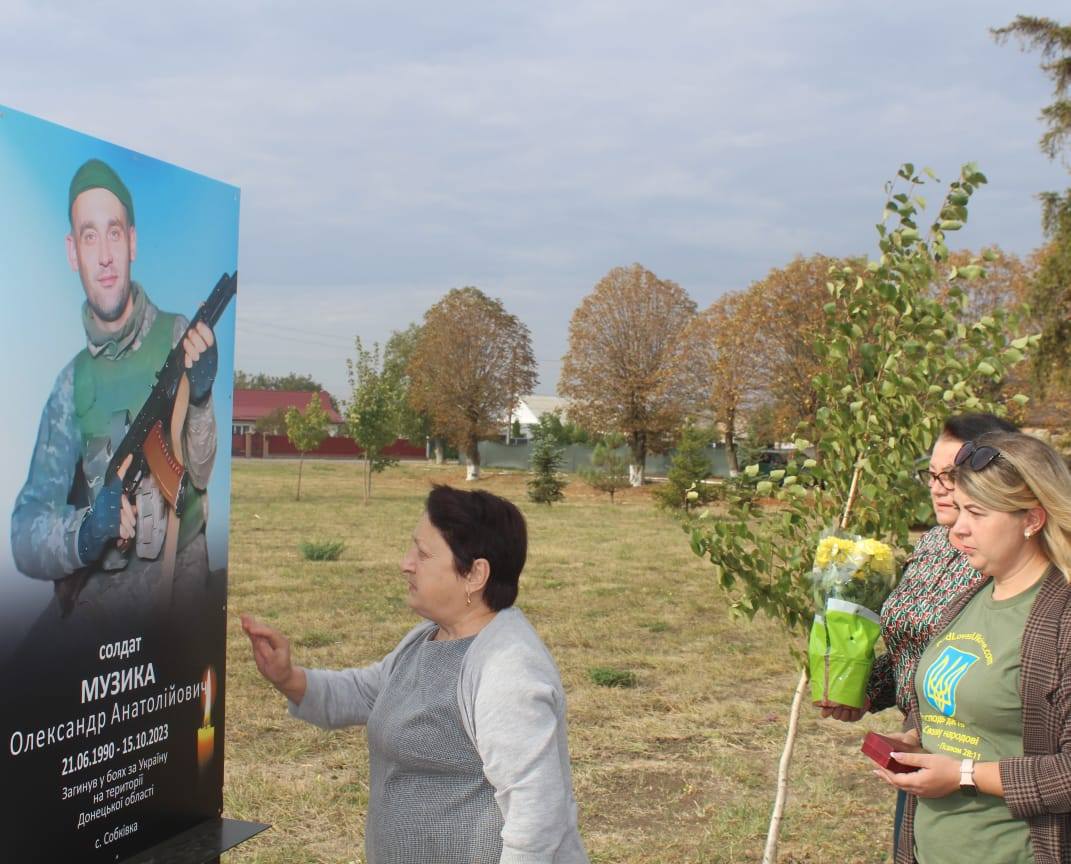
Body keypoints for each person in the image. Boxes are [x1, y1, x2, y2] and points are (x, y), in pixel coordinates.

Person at [242, 485, 589, 864]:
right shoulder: (430, 637)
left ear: (475, 574)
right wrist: (288, 677)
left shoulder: (507, 669)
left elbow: (537, 812)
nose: (406, 563)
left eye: (423, 554)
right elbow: (368, 692)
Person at [10, 158, 219, 627]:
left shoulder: (177, 338)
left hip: (178, 588)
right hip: (104, 618)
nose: (104, 255)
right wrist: (84, 533)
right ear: (72, 252)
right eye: (89, 235)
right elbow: (25, 531)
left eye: (114, 233)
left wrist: (200, 399)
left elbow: (201, 474)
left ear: (133, 242)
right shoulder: (70, 384)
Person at [818, 413, 1018, 842]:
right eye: (931, 474)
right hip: (921, 747)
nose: (938, 488)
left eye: (951, 475)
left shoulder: (1005, 560)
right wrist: (864, 691)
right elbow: (915, 646)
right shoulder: (931, 542)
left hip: (983, 755)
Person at [872, 431, 1071, 864]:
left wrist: (965, 776)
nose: (958, 527)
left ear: (1032, 519)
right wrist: (912, 738)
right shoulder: (969, 598)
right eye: (959, 509)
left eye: (977, 512)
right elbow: (958, 712)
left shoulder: (1062, 620)